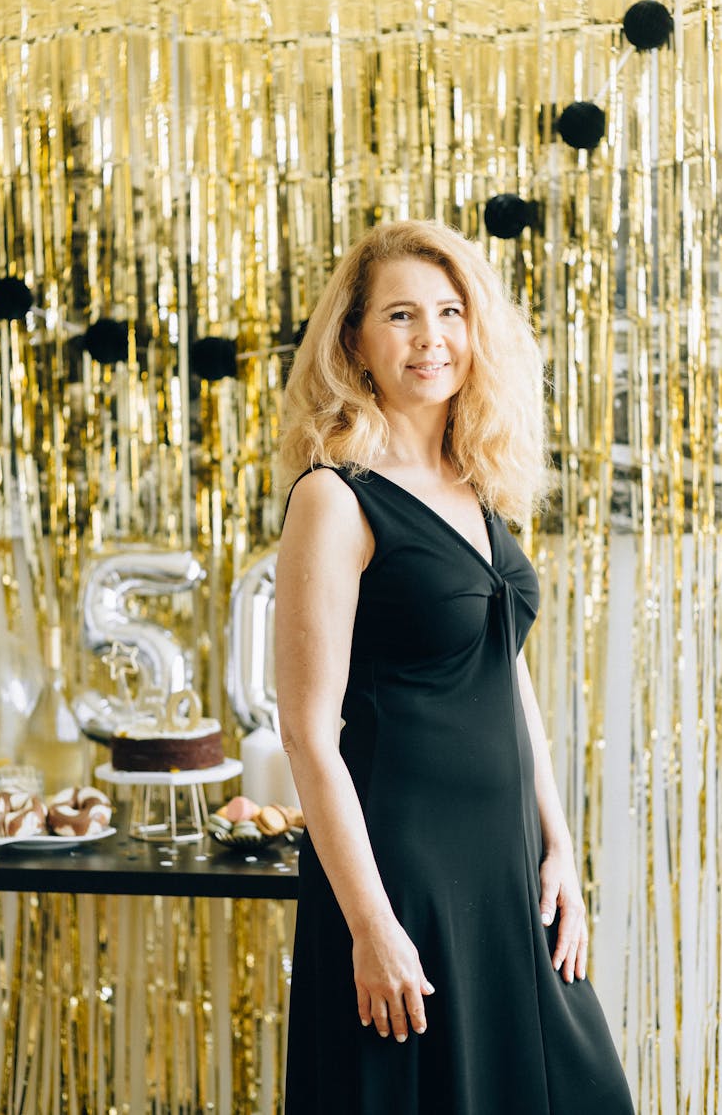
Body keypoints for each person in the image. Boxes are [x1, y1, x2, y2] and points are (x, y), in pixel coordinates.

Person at [274, 219, 634, 1115]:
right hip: (403, 871)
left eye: (449, 311)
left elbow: (502, 669)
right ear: (353, 339)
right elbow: (309, 735)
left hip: (505, 865)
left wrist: (557, 843)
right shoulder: (334, 496)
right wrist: (370, 923)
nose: (431, 337)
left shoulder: (474, 481)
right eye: (400, 315)